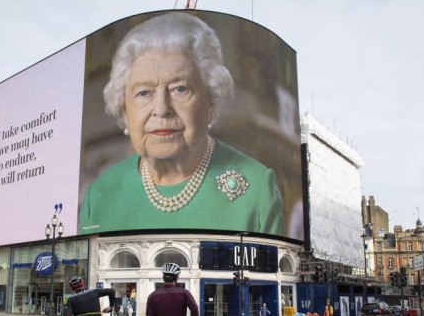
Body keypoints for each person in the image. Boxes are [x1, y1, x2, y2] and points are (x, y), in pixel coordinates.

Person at [78, 13, 285, 236]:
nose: (161, 108)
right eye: (144, 92)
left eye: (180, 89)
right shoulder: (98, 196)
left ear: (210, 102)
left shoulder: (257, 189)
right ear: (125, 111)